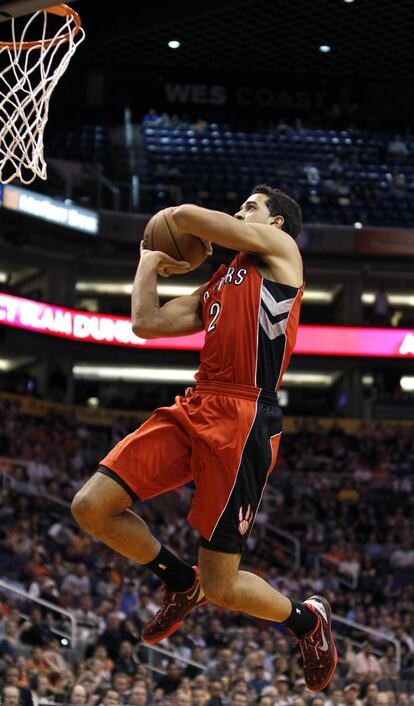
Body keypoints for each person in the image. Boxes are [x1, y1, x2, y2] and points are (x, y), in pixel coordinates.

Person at [72, 184, 337, 692]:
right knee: (90, 507)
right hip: (197, 403)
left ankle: (307, 622)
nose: (240, 213)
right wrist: (149, 262)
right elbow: (145, 323)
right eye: (239, 208)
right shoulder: (218, 282)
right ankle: (178, 580)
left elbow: (192, 214)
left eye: (250, 208)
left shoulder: (281, 255)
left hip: (245, 415)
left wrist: (177, 223)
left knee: (223, 586)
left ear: (275, 223)